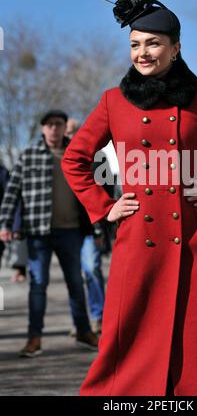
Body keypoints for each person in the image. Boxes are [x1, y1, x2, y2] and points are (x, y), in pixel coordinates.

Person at [61, 0, 197, 396]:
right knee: (131, 337)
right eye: (135, 45)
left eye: (152, 44)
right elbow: (75, 158)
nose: (142, 53)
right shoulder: (113, 102)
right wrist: (105, 207)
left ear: (175, 48)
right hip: (138, 237)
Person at [0, 110, 98, 357]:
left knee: (76, 283)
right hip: (38, 232)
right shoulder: (29, 156)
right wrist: (5, 224)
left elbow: (92, 191)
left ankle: (84, 332)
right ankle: (35, 338)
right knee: (38, 285)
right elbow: (12, 192)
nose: (54, 129)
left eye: (58, 124)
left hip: (72, 231)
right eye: (49, 125)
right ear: (43, 128)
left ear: (65, 127)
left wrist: (98, 227)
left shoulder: (77, 154)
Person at [66, 118, 115, 335]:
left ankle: (98, 317)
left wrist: (101, 227)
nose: (70, 135)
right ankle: (80, 321)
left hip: (90, 228)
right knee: (73, 276)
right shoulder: (58, 159)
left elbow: (107, 192)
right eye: (68, 132)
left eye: (74, 131)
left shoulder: (99, 158)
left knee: (92, 270)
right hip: (65, 229)